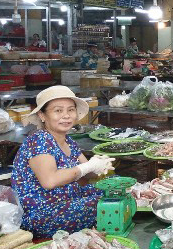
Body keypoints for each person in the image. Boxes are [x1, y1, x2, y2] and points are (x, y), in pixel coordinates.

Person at [12, 86, 115, 238]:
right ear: (42, 115)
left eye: (71, 110)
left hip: (67, 199)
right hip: (43, 213)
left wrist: (99, 165)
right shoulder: (39, 139)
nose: (66, 116)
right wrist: (89, 166)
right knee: (105, 204)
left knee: (114, 187)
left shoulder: (69, 141)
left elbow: (87, 175)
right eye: (58, 111)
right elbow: (50, 181)